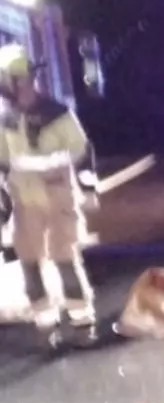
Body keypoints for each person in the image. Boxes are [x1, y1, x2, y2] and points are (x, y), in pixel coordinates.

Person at [0, 45, 97, 329]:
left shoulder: (57, 114)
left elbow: (81, 150)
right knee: (29, 260)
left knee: (63, 257)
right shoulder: (6, 121)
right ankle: (44, 317)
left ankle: (81, 318)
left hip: (58, 198)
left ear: (21, 80)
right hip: (24, 202)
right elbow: (3, 162)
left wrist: (88, 188)